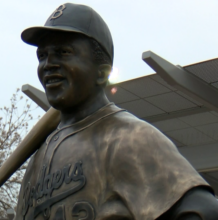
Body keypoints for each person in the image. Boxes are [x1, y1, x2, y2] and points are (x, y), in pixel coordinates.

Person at [15, 3, 218, 220]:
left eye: (63, 52)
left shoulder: (129, 137)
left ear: (102, 74)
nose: (48, 64)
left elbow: (205, 211)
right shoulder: (38, 159)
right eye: (42, 55)